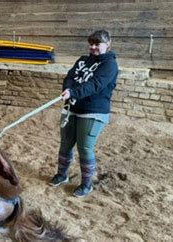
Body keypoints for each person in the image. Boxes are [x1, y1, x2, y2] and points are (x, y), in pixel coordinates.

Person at [49, 30, 118, 198]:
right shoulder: (82, 60)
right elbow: (70, 77)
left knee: (84, 147)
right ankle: (62, 175)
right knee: (65, 143)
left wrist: (74, 93)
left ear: (107, 44)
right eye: (91, 44)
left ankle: (86, 185)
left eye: (97, 44)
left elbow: (96, 84)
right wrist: (67, 89)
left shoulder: (110, 64)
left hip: (93, 111)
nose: (93, 47)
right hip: (71, 108)